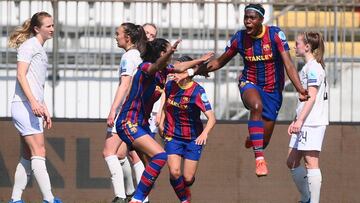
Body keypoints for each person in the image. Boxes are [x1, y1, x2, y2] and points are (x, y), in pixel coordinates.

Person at [206, 3, 309, 177]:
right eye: (246, 17)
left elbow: (289, 65)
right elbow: (219, 61)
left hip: (273, 90)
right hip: (249, 82)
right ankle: (259, 160)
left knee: (263, 141)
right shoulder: (239, 38)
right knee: (256, 106)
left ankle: (254, 139)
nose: (248, 22)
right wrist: (195, 70)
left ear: (261, 20)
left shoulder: (275, 35)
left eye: (252, 18)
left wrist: (300, 89)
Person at [116, 38, 213, 203]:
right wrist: (170, 52)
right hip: (129, 121)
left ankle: (141, 197)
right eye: (169, 51)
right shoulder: (145, 67)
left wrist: (200, 60)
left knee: (150, 165)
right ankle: (135, 199)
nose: (172, 55)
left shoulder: (165, 71)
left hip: (142, 124)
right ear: (162, 53)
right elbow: (155, 66)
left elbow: (180, 68)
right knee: (160, 157)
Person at [8, 11, 62, 203]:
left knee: (28, 155)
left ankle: (15, 199)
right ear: (37, 28)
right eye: (48, 26)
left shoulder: (40, 48)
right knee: (39, 152)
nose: (52, 29)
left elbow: (36, 83)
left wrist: (43, 106)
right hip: (24, 106)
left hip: (30, 105)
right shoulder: (29, 46)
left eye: (53, 25)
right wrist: (32, 103)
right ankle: (49, 198)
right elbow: (21, 75)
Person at [160, 56, 216, 203]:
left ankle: (185, 189)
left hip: (193, 138)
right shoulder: (170, 85)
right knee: (174, 171)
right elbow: (165, 102)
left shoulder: (197, 91)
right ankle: (184, 199)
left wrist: (205, 133)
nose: (175, 73)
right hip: (173, 135)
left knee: (188, 178)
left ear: (187, 72)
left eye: (178, 71)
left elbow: (212, 118)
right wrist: (160, 120)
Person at [102, 22, 147, 203]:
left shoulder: (129, 57)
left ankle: (120, 196)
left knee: (108, 152)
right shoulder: (137, 56)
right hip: (136, 110)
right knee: (122, 154)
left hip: (126, 110)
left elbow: (125, 84)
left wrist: (114, 109)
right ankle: (134, 195)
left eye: (118, 33)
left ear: (127, 37)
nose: (116, 36)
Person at [286, 31, 328, 203]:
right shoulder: (307, 67)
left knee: (311, 163)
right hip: (304, 121)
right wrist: (296, 119)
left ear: (307, 47)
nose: (294, 46)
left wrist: (301, 120)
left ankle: (313, 201)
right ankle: (306, 197)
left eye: (297, 43)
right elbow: (304, 99)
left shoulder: (314, 68)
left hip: (313, 122)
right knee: (292, 160)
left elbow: (311, 96)